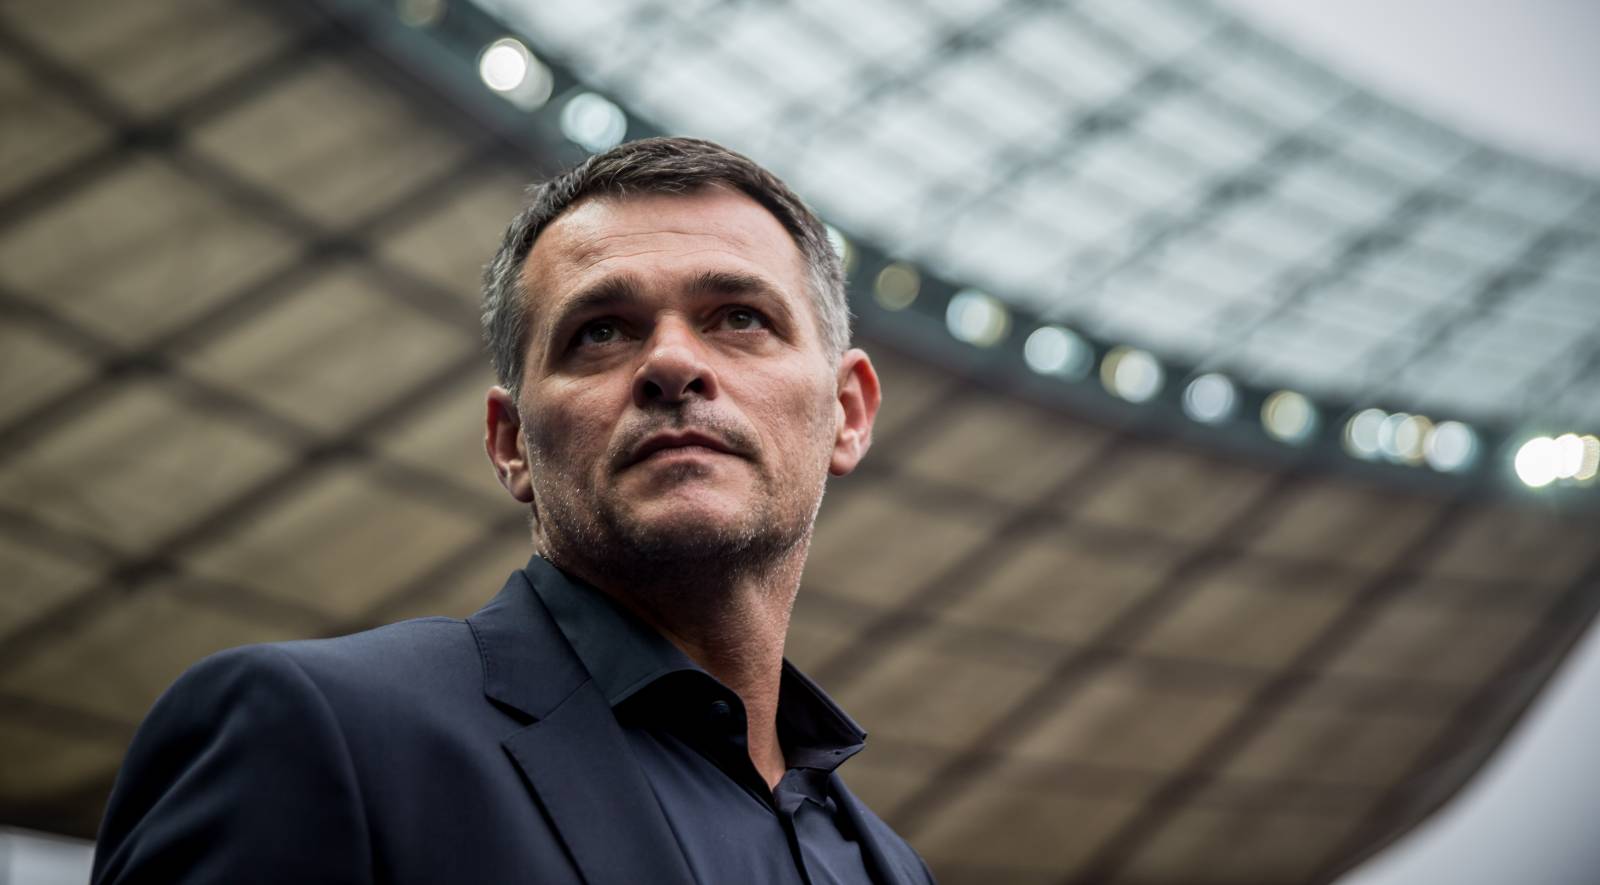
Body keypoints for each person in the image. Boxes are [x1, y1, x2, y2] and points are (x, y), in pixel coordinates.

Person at [91, 136, 936, 884]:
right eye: (600, 331)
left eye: (741, 318)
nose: (673, 362)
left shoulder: (890, 866)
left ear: (848, 411)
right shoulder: (314, 731)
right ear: (511, 442)